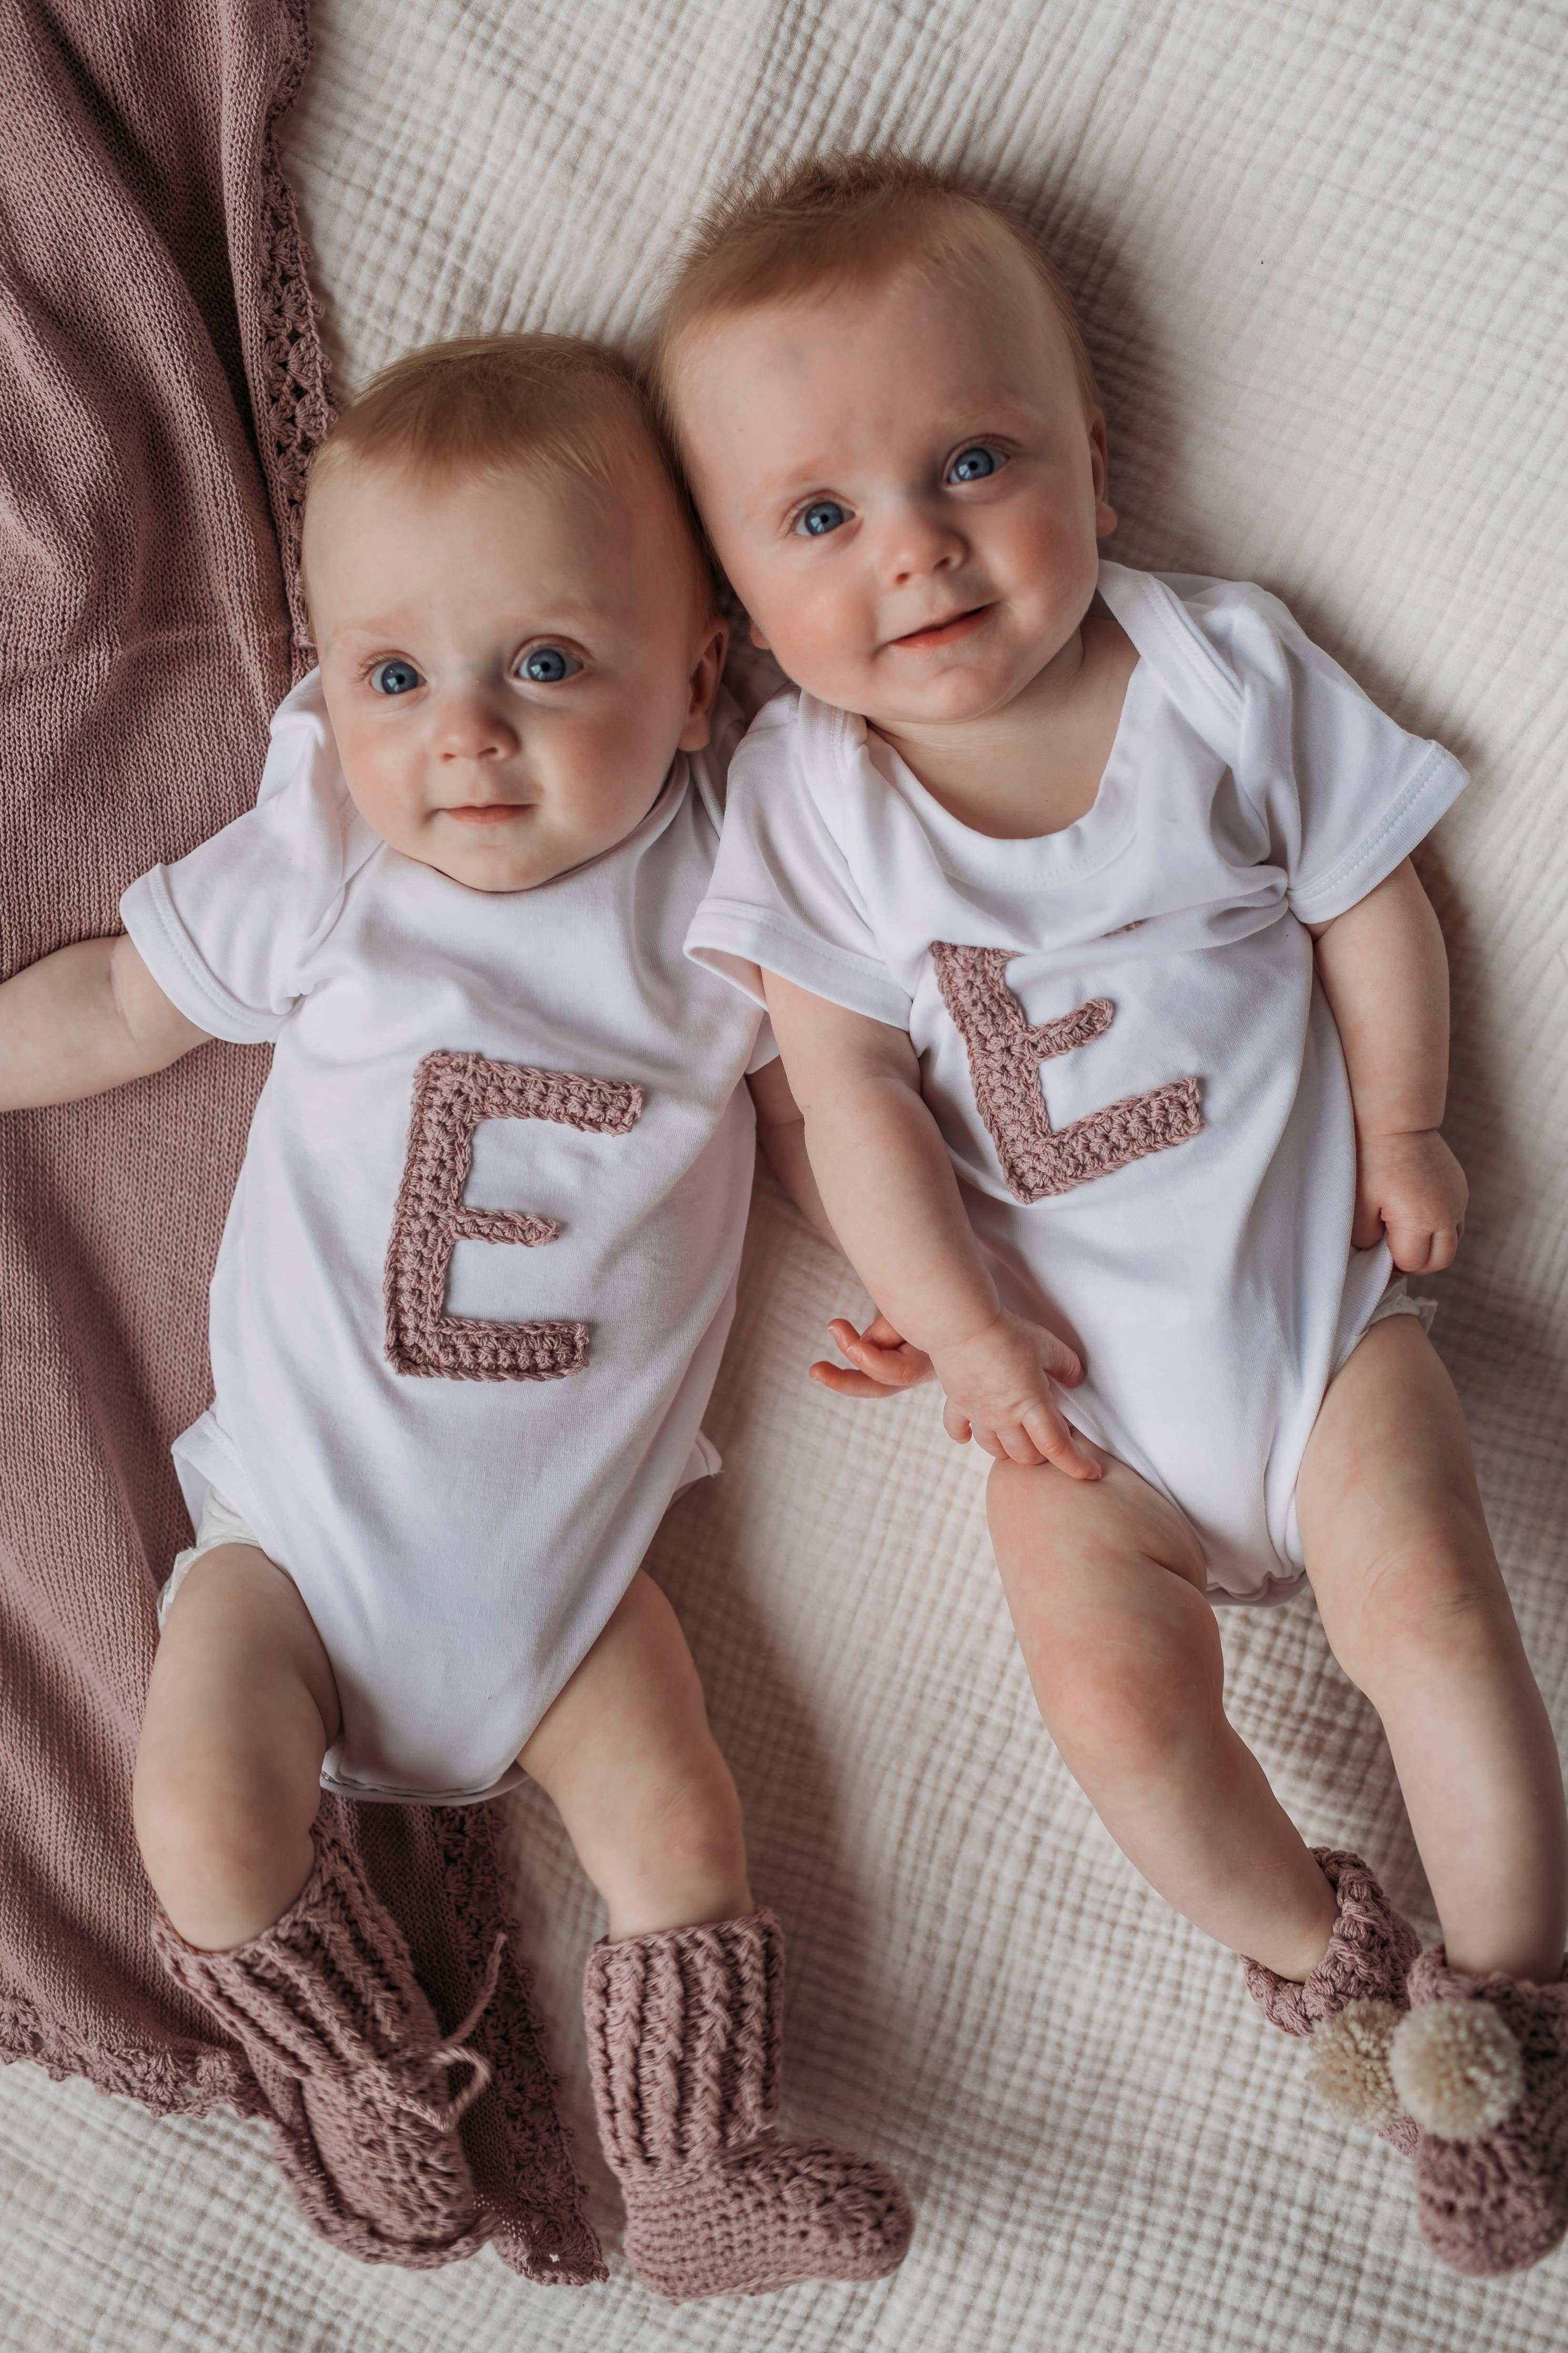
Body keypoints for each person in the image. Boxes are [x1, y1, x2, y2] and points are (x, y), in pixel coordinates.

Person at [656, 150, 1568, 2278]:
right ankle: (1325, 1960)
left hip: (1318, 1330)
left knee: (1431, 1606)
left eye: (972, 459)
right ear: (726, 591)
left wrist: (1409, 1126)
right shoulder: (813, 809)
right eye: (817, 518)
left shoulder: (1218, 671)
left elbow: (1367, 894)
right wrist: (951, 1317)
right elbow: (845, 1091)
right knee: (1114, 1712)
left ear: (1091, 448)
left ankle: (1515, 1991)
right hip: (1073, 1417)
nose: (915, 550)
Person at [0, 331, 912, 2301]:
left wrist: (920, 1279)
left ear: (697, 684)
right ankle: (365, 2082)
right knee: (202, 1817)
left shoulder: (728, 893)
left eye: (549, 667)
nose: (464, 740)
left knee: (678, 1824)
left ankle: (693, 2172)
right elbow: (123, 1004)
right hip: (295, 1560)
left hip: (576, 1594)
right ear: (328, 683)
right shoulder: (328, 855)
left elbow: (819, 1115)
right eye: (394, 676)